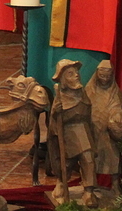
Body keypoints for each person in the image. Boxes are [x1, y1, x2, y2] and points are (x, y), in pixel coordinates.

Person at [48, 59, 97, 208]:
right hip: (68, 135)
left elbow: (88, 114)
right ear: (63, 79)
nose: (76, 75)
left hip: (83, 131)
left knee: (88, 159)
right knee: (67, 162)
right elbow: (53, 125)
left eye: (76, 72)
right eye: (70, 73)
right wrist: (56, 114)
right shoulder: (60, 98)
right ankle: (61, 182)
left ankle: (89, 191)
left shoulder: (83, 94)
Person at [85, 59, 122, 192]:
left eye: (108, 76)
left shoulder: (114, 91)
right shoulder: (90, 89)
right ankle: (90, 186)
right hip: (93, 131)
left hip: (108, 134)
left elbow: (117, 105)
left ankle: (115, 185)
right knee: (92, 159)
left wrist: (117, 115)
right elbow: (85, 106)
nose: (104, 79)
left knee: (112, 158)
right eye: (102, 76)